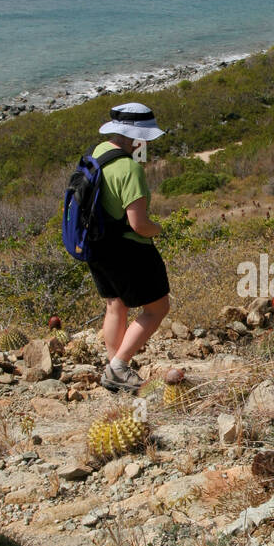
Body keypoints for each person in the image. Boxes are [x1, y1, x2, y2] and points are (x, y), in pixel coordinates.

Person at [88, 102, 170, 391]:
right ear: (135, 136)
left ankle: (114, 372)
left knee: (115, 305)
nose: (145, 142)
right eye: (144, 137)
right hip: (129, 250)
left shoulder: (97, 154)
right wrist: (160, 229)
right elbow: (139, 224)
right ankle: (119, 366)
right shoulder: (129, 170)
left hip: (97, 246)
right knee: (157, 308)